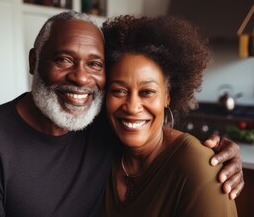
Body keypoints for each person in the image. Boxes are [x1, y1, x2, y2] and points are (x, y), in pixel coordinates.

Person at [0, 11, 243, 217]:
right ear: (35, 61)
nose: (80, 78)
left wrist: (219, 156)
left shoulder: (98, 123)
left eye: (95, 65)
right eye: (63, 59)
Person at [100, 15, 238, 216]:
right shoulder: (101, 150)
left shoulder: (198, 165)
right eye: (118, 91)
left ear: (167, 97)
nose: (132, 106)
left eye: (147, 92)